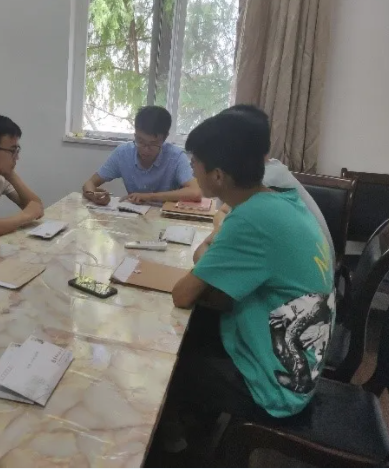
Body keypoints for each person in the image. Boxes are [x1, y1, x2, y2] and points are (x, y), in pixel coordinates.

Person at [169, 112, 335, 423]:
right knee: (201, 321)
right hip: (301, 363)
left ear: (218, 176)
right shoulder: (280, 200)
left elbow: (183, 293)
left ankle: (179, 441)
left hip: (279, 387)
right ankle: (198, 427)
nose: (192, 170)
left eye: (195, 163)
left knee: (171, 361)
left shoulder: (250, 219)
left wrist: (207, 256)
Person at [193, 104, 334, 269]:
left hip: (310, 271)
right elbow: (223, 214)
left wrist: (222, 234)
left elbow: (208, 256)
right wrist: (223, 231)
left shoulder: (264, 181)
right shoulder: (266, 172)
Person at [82, 106, 201, 205]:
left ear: (164, 138)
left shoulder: (175, 156)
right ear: (135, 135)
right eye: (140, 141)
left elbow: (195, 192)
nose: (145, 149)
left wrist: (149, 197)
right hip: (134, 217)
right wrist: (93, 195)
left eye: (153, 144)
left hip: (165, 218)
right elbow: (89, 183)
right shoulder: (123, 153)